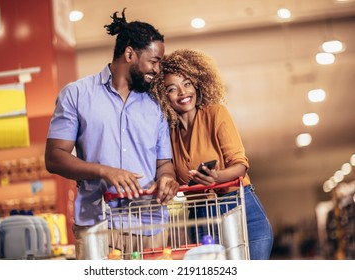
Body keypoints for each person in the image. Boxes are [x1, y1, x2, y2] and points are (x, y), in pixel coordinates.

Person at [45, 9, 179, 260]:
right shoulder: (76, 95)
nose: (158, 69)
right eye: (154, 60)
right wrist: (105, 171)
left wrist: (167, 179)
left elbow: (164, 163)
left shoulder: (156, 105)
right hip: (98, 225)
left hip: (150, 225)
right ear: (130, 54)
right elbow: (54, 157)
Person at [150, 48, 273, 260]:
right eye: (172, 88)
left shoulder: (216, 113)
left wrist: (216, 177)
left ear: (197, 83)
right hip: (201, 217)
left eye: (187, 83)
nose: (183, 92)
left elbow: (240, 166)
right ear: (163, 96)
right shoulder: (168, 134)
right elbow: (168, 174)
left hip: (239, 210)